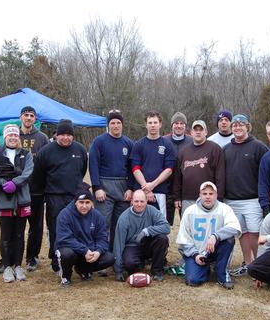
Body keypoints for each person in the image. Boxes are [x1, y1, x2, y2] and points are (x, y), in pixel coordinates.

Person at [32, 119, 88, 273]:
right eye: (62, 134)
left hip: (75, 197)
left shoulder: (80, 150)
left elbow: (82, 171)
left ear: (73, 136)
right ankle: (56, 261)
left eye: (69, 134)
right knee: (56, 230)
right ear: (56, 135)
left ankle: (78, 261)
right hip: (54, 197)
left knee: (78, 228)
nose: (66, 137)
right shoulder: (46, 151)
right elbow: (38, 175)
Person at [0, 124, 34, 282]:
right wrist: (2, 185)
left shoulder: (26, 154)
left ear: (18, 137)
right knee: (6, 235)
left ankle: (18, 266)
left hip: (22, 199)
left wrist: (15, 183)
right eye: (9, 135)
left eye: (15, 135)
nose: (13, 137)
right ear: (4, 137)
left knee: (20, 234)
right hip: (4, 200)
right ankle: (6, 266)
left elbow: (28, 172)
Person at [223, 114, 268, 277]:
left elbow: (266, 172)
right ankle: (248, 264)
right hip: (232, 200)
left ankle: (260, 265)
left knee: (255, 232)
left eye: (241, 124)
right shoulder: (227, 149)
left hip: (252, 199)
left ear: (247, 126)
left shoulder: (258, 146)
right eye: (235, 125)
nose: (237, 127)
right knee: (242, 233)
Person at [177, 181, 241, 289]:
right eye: (204, 194)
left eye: (211, 194)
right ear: (199, 195)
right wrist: (195, 255)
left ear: (216, 195)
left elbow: (235, 227)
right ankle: (205, 268)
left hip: (216, 249)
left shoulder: (224, 209)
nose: (208, 197)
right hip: (197, 252)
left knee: (229, 239)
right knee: (192, 280)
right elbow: (184, 239)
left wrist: (215, 236)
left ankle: (221, 274)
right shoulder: (189, 211)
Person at [88, 110, 134, 261]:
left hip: (122, 186)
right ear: (108, 125)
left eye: (118, 123)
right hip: (104, 186)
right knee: (103, 224)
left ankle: (116, 256)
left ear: (122, 125)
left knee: (119, 224)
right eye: (112, 123)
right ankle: (101, 257)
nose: (115, 126)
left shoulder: (128, 143)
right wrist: (97, 187)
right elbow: (93, 164)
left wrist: (130, 188)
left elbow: (132, 168)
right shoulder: (99, 141)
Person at [55, 189, 115, 287]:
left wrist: (98, 251)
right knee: (66, 254)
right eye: (81, 202)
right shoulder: (64, 215)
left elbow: (102, 238)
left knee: (109, 258)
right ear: (75, 203)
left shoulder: (97, 216)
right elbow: (64, 239)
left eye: (87, 202)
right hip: (72, 250)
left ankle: (83, 270)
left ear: (92, 203)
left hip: (88, 252)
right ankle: (66, 277)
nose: (84, 206)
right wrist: (84, 250)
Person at [18, 105, 50, 272]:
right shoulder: (13, 135)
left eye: (31, 115)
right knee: (17, 226)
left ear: (35, 118)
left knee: (36, 227)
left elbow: (47, 164)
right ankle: (15, 256)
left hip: (37, 190)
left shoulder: (42, 138)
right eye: (25, 115)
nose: (28, 118)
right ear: (20, 117)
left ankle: (32, 257)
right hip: (17, 190)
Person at [113, 190, 171, 282]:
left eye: (142, 201)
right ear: (131, 201)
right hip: (132, 246)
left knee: (162, 238)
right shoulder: (124, 218)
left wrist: (147, 231)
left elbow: (166, 227)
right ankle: (138, 264)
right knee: (130, 264)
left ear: (146, 201)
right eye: (136, 201)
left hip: (148, 243)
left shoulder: (152, 211)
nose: (139, 204)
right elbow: (118, 244)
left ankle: (157, 271)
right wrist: (118, 270)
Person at [172, 119, 225, 215]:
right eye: (195, 130)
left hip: (208, 197)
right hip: (187, 198)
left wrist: (219, 197)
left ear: (206, 132)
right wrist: (177, 197)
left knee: (209, 228)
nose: (198, 132)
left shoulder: (215, 149)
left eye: (201, 130)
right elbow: (177, 177)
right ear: (191, 133)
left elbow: (220, 175)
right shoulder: (183, 152)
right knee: (188, 227)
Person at [129, 111, 176, 218]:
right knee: (139, 222)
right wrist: (146, 188)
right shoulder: (138, 145)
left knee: (159, 223)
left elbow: (169, 170)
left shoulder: (167, 145)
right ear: (146, 125)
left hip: (160, 192)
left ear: (160, 124)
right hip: (141, 192)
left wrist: (153, 185)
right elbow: (135, 169)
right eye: (150, 123)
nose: (153, 125)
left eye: (155, 122)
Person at [163, 112, 192, 225]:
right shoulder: (164, 140)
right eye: (176, 123)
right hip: (166, 188)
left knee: (188, 223)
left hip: (185, 189)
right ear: (172, 125)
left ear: (185, 126)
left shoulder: (192, 141)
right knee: (164, 223)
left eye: (182, 123)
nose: (179, 126)